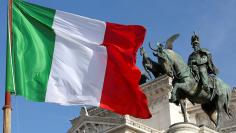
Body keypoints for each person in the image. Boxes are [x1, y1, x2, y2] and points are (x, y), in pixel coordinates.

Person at [188, 33, 218, 100]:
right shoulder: (191, 55)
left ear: (198, 44)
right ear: (192, 46)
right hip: (193, 68)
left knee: (202, 71)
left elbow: (205, 59)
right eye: (194, 44)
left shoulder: (203, 51)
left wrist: (196, 61)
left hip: (202, 66)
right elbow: (188, 63)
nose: (195, 45)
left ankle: (206, 86)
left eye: (196, 44)